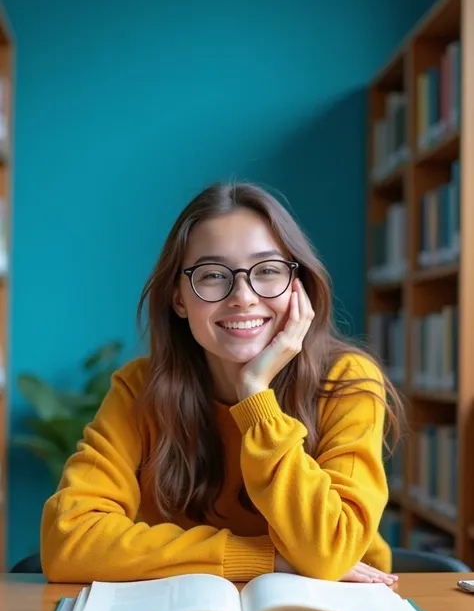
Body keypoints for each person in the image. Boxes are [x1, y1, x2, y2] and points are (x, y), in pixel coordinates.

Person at [41, 182, 403, 586]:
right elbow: (69, 539)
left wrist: (256, 397)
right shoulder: (139, 388)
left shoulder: (346, 381)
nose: (243, 296)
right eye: (213, 276)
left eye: (267, 271)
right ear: (179, 298)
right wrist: (267, 560)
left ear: (298, 286)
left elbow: (330, 550)